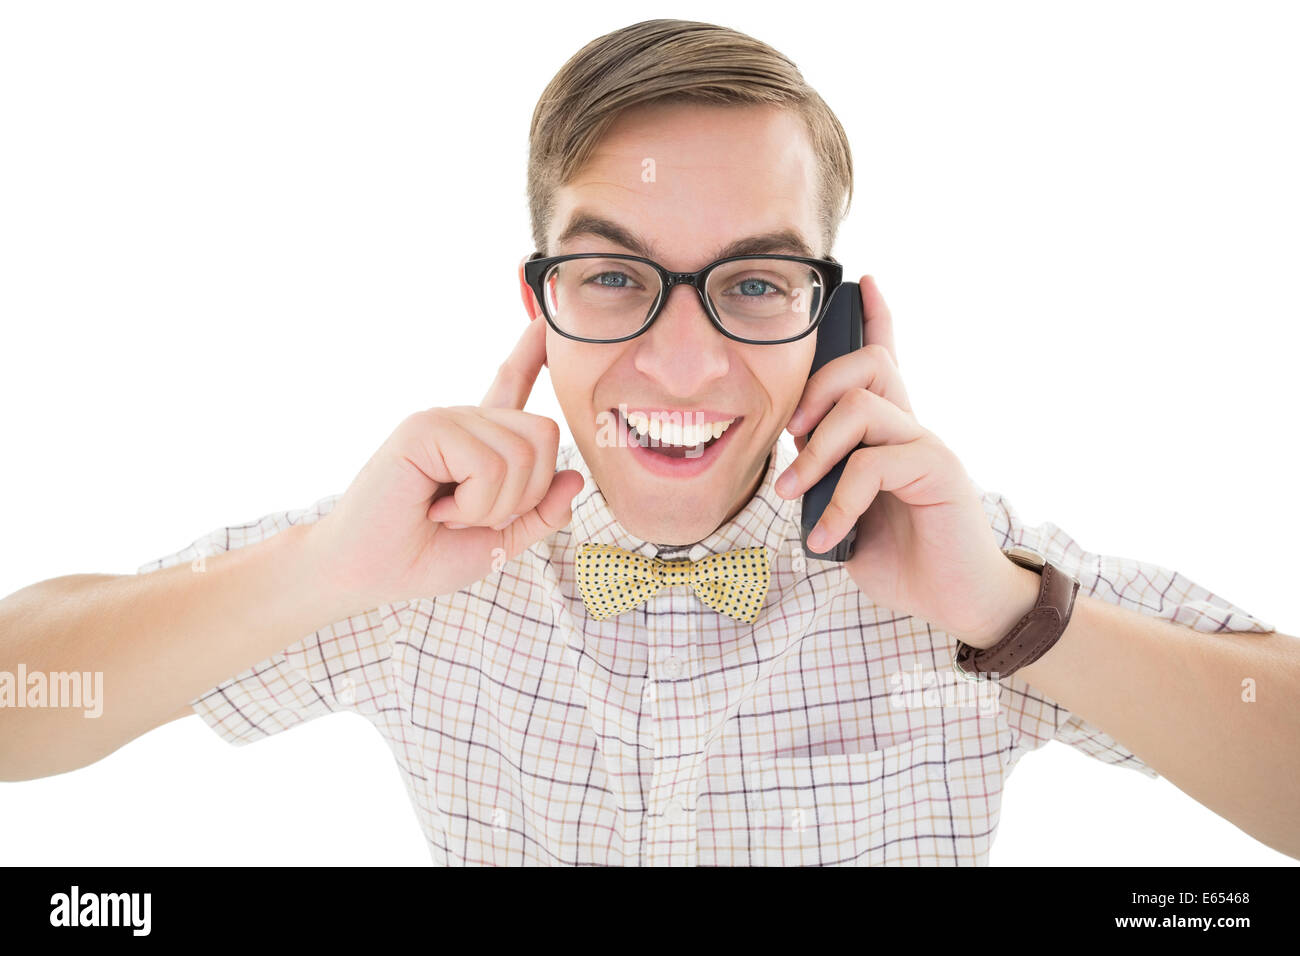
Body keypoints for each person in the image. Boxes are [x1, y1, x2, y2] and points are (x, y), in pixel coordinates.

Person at [1, 18, 1296, 866]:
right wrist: (319, 573)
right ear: (537, 303)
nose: (682, 362)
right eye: (615, 280)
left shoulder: (967, 571)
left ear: (833, 316)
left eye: (755, 283)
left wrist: (1013, 612)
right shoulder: (406, 564)